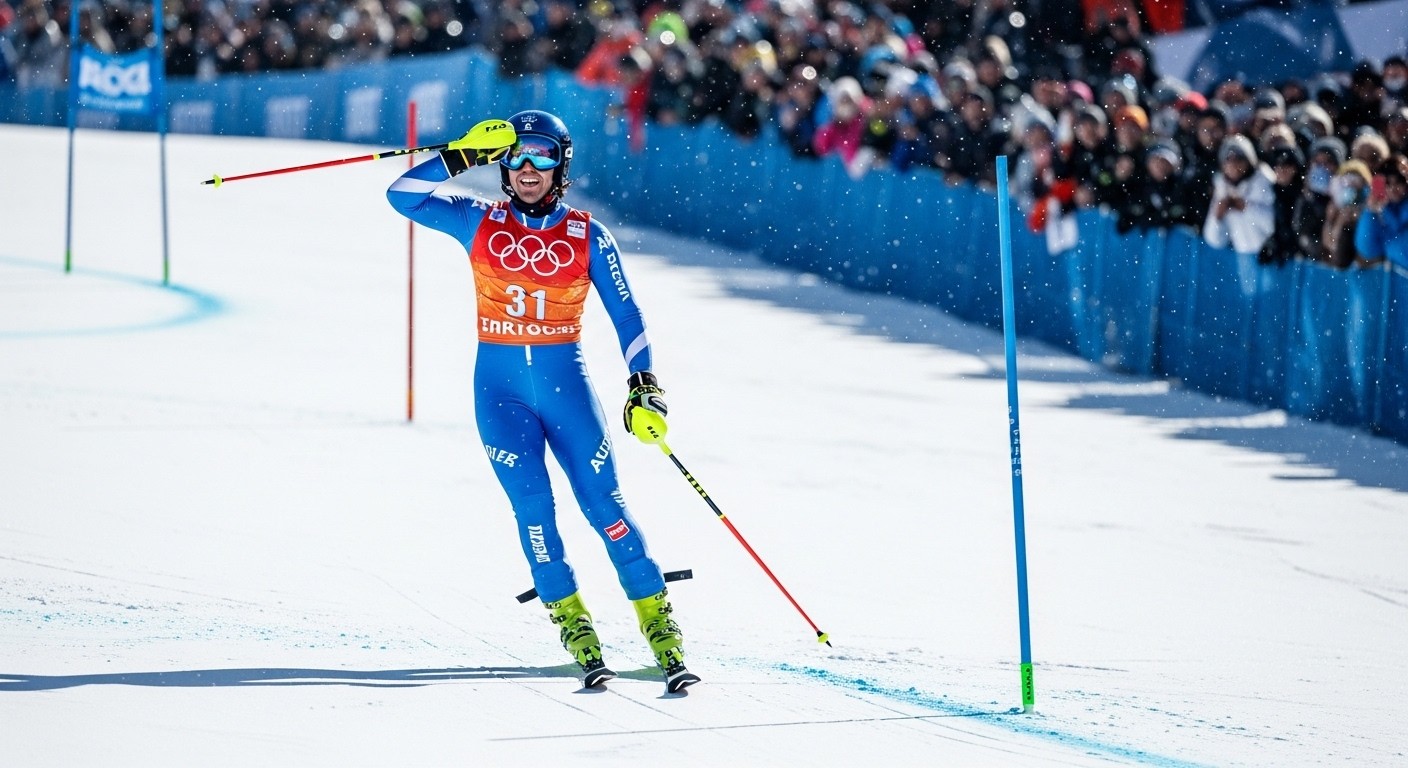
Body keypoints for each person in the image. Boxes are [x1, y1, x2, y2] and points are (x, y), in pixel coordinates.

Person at [385, 110, 699, 693]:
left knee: (605, 509)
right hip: (500, 395)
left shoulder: (587, 235)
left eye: (543, 157)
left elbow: (626, 316)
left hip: (567, 389)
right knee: (535, 513)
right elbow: (401, 195)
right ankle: (574, 624)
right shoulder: (477, 220)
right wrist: (463, 155)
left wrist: (644, 385)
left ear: (563, 166)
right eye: (517, 156)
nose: (529, 169)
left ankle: (659, 623)